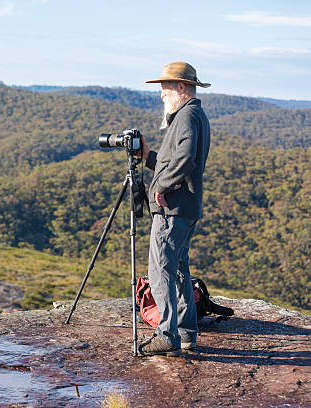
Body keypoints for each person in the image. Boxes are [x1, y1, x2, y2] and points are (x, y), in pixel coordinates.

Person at [136, 61, 211, 356]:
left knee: (160, 271)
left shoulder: (186, 115)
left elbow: (186, 158)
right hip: (187, 207)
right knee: (178, 269)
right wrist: (147, 156)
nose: (161, 95)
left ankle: (167, 334)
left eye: (165, 88)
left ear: (181, 87)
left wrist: (161, 187)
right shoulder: (194, 114)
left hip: (173, 209)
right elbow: (177, 159)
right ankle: (186, 332)